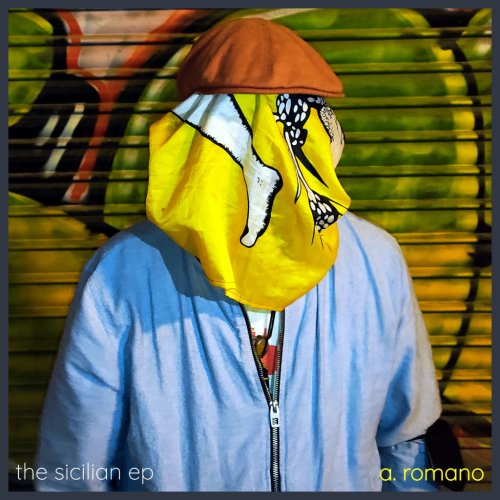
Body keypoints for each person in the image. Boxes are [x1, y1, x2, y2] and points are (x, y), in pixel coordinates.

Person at [34, 18, 442, 492]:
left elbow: (406, 439)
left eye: (279, 122)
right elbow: (74, 469)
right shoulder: (124, 273)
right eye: (244, 123)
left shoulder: (375, 262)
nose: (263, 148)